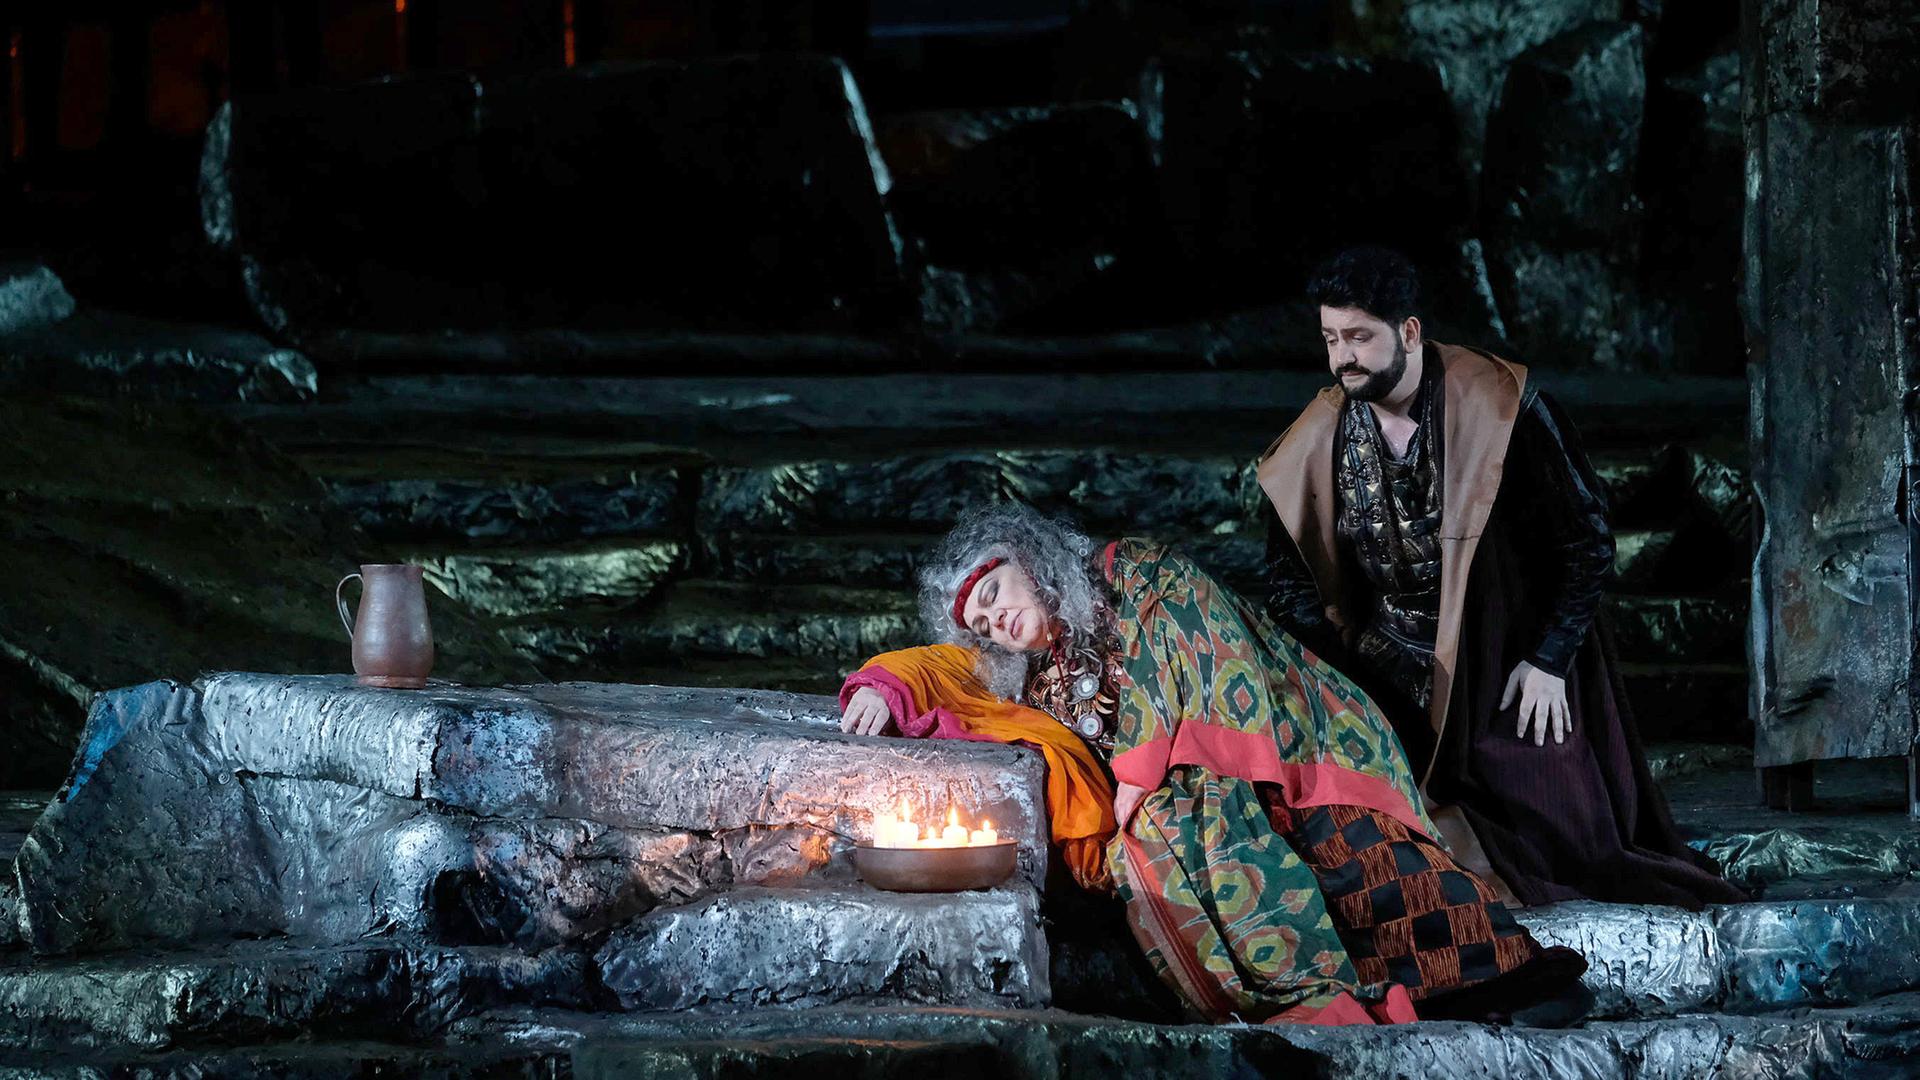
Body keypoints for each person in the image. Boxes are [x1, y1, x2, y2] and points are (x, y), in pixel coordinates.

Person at [839, 503, 1588, 1026]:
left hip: (1274, 731)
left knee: (1340, 837)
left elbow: (1201, 641)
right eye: (981, 623)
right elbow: (936, 666)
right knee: (1173, 847)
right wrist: (882, 685)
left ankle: (1509, 977)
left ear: (1028, 562)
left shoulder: (1130, 571)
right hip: (1180, 802)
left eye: (993, 593)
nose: (995, 620)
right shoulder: (1026, 671)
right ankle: (1315, 998)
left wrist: (1142, 771)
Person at [1259, 246, 1746, 909]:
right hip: (1386, 661)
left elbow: (1586, 540)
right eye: (1331, 339)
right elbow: (1289, 583)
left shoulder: (1502, 407)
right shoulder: (1320, 434)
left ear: (1408, 331)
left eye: (1360, 337)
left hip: (1503, 654)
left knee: (1574, 844)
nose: (1343, 357)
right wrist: (1332, 688)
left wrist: (1548, 660)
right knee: (1362, 836)